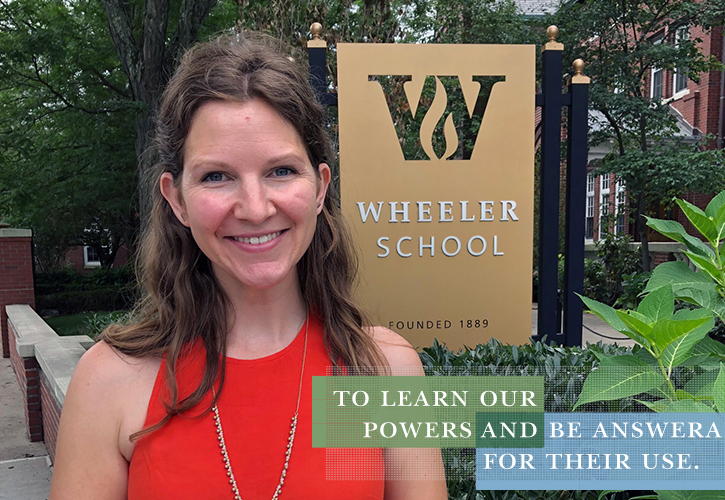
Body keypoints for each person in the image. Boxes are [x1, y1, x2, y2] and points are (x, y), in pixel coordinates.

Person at [49, 31, 447, 500]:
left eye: (281, 171)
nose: (255, 209)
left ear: (319, 188)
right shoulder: (108, 381)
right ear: (177, 200)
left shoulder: (388, 370)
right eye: (217, 176)